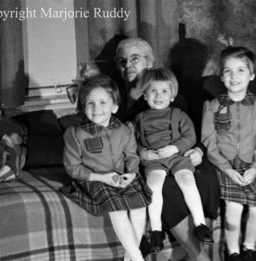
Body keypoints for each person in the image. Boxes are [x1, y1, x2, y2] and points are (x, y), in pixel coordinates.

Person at [115, 37, 219, 261]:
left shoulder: (171, 94)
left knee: (204, 175)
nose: (127, 66)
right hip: (148, 160)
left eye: (135, 59)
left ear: (150, 62)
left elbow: (196, 128)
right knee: (164, 187)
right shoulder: (116, 98)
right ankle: (200, 257)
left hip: (179, 153)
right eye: (122, 61)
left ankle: (204, 237)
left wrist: (199, 150)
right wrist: (141, 153)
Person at [201, 46, 256, 261]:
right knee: (233, 208)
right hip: (225, 164)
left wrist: (255, 169)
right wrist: (227, 169)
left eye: (241, 70)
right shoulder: (212, 107)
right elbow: (209, 142)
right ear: (221, 75)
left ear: (252, 75)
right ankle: (233, 252)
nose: (234, 76)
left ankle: (249, 248)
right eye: (228, 71)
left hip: (251, 163)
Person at [62, 76, 152, 261]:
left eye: (103, 102)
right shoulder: (77, 134)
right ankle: (138, 258)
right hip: (94, 180)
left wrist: (131, 174)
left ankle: (130, 257)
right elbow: (73, 167)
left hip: (121, 177)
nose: (97, 109)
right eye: (90, 103)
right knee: (117, 208)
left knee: (139, 206)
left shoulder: (124, 129)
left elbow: (132, 156)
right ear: (83, 107)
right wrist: (101, 178)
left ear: (114, 107)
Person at [134, 68, 213, 252]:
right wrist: (144, 153)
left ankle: (200, 224)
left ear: (172, 96)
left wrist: (175, 147)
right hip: (155, 160)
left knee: (187, 179)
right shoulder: (140, 118)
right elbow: (134, 143)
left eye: (164, 91)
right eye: (153, 91)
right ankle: (156, 231)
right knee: (153, 185)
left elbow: (190, 136)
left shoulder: (179, 115)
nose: (158, 95)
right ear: (145, 95)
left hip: (177, 157)